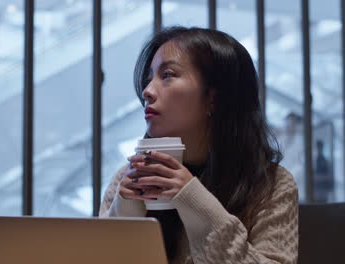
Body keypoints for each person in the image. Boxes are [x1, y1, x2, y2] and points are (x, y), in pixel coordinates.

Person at [99, 27, 298, 264]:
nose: (147, 91)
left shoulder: (271, 185)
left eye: (167, 75)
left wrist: (192, 198)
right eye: (149, 77)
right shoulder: (126, 179)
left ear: (214, 97)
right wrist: (126, 210)